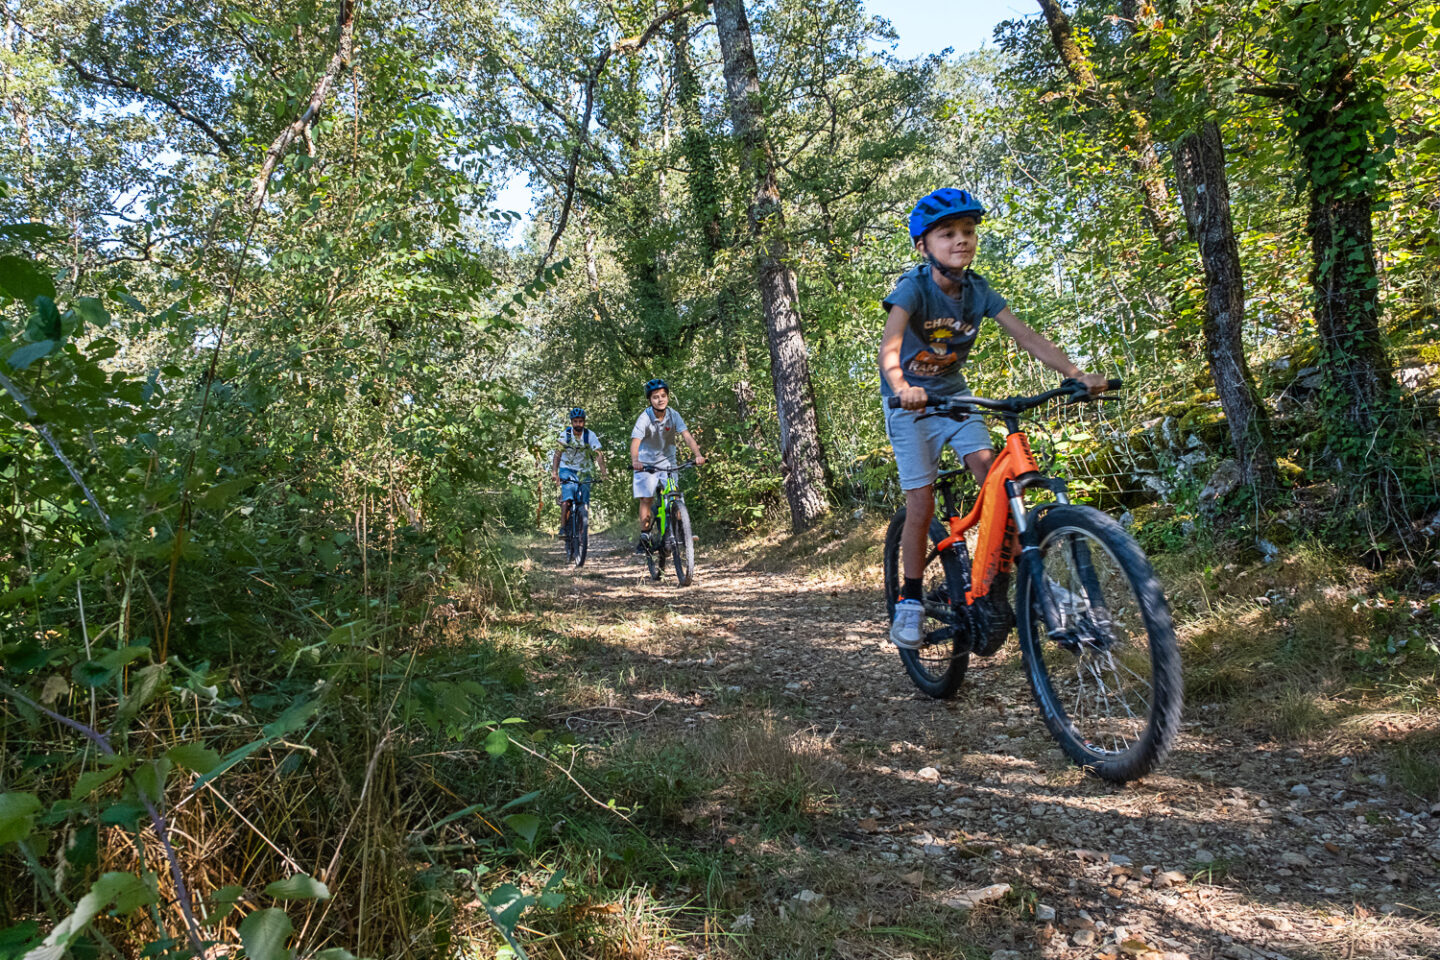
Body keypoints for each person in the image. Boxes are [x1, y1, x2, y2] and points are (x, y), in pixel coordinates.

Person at [881, 188, 1108, 650]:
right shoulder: (913, 288)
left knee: (998, 481)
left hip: (955, 397)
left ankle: (1035, 582)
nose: (961, 240)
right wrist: (903, 386)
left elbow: (1028, 337)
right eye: (947, 234)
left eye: (967, 231)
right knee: (921, 503)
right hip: (911, 405)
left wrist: (1076, 374)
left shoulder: (979, 291)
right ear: (923, 246)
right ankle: (910, 599)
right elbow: (890, 346)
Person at [629, 379, 705, 554]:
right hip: (645, 463)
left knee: (674, 495)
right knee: (646, 499)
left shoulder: (673, 415)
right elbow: (635, 442)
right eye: (655, 397)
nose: (660, 399)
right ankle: (645, 535)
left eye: (663, 396)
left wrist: (698, 455)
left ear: (668, 397)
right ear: (650, 400)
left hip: (668, 462)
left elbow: (687, 436)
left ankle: (682, 532)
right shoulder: (645, 417)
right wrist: (635, 461)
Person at [551, 407, 605, 536]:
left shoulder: (589, 435)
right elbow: (557, 454)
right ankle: (563, 528)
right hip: (567, 468)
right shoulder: (566, 434)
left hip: (584, 470)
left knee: (584, 502)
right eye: (575, 421)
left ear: (584, 422)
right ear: (571, 422)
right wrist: (554, 472)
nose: (578, 424)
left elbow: (598, 454)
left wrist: (604, 473)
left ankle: (582, 531)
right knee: (567, 498)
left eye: (580, 421)